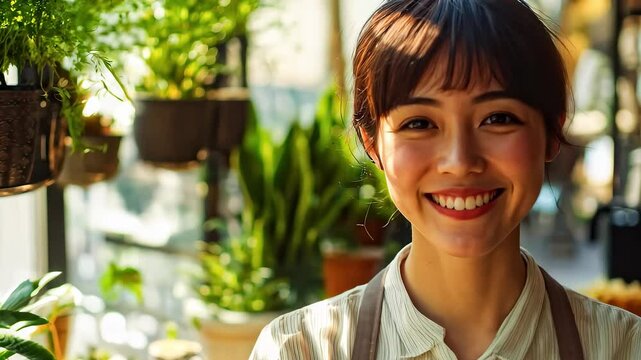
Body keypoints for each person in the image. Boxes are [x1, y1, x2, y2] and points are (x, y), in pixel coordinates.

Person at [250, 0, 641, 359]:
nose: (459, 161)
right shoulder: (300, 349)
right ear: (372, 143)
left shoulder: (625, 347)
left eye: (498, 118)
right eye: (419, 123)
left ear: (552, 133)